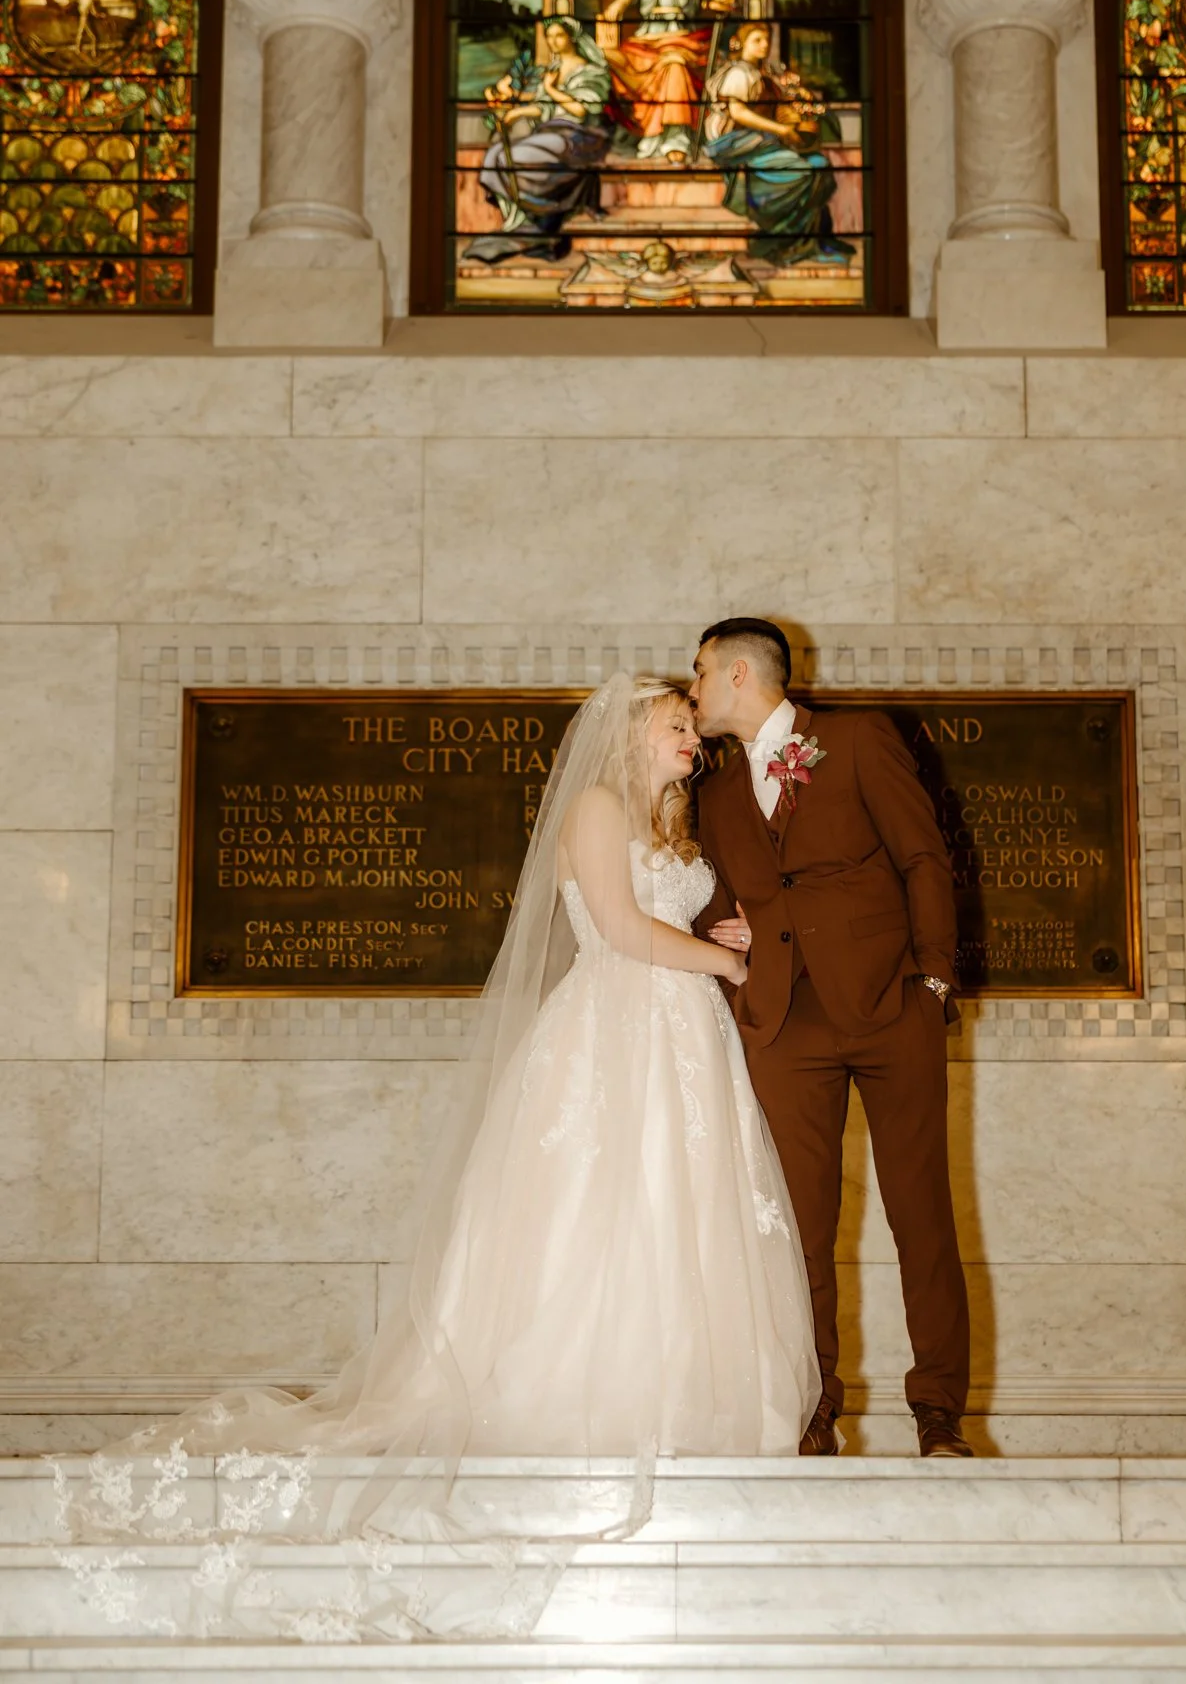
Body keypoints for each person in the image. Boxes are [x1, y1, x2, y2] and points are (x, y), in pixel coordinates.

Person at [55, 677, 818, 1617]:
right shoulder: (594, 804)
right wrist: (727, 960)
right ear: (628, 733)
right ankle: (573, 1404)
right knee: (596, 1215)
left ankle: (688, 1405)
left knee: (681, 1215)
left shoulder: (675, 825)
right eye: (675, 728)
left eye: (690, 734)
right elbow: (619, 932)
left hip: (682, 1041)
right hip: (614, 1034)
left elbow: (664, 918)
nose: (691, 744)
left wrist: (720, 933)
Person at [690, 617, 973, 1461]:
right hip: (780, 1023)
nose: (692, 687)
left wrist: (931, 980)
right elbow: (711, 889)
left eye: (700, 672)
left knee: (920, 1215)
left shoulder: (853, 741)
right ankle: (814, 1411)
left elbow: (924, 856)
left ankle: (938, 1415)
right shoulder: (711, 789)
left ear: (740, 674)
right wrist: (721, 932)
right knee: (797, 1230)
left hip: (892, 1008)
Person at [465, 16, 612, 264]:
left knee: (519, 156)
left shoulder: (592, 71)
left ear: (571, 37)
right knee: (496, 154)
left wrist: (552, 89)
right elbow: (543, 108)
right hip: (550, 134)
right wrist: (515, 113)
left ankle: (536, 215)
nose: (554, 42)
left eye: (559, 36)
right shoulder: (552, 71)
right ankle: (517, 220)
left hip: (580, 137)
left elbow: (581, 110)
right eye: (550, 37)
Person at [704, 23, 853, 264]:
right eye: (757, 40)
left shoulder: (763, 73)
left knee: (820, 166)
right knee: (806, 171)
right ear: (741, 43)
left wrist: (800, 98)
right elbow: (739, 114)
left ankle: (811, 240)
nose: (765, 45)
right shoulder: (738, 73)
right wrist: (782, 129)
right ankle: (778, 240)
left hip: (764, 141)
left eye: (767, 40)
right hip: (738, 144)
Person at [599, 0, 733, 161]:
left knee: (674, 65)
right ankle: (650, 135)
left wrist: (721, 0)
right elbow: (622, 0)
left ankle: (675, 136)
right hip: (645, 41)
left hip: (684, 40)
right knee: (613, 60)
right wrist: (615, 8)